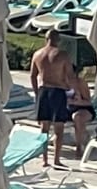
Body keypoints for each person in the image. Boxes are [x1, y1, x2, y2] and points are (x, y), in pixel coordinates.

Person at [29, 34, 83, 165]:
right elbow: (70, 76)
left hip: (43, 91)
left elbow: (32, 76)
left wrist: (37, 92)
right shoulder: (62, 55)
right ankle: (56, 160)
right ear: (58, 40)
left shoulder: (37, 54)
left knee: (44, 129)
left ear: (46, 39)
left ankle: (44, 160)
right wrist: (74, 92)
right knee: (59, 128)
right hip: (58, 91)